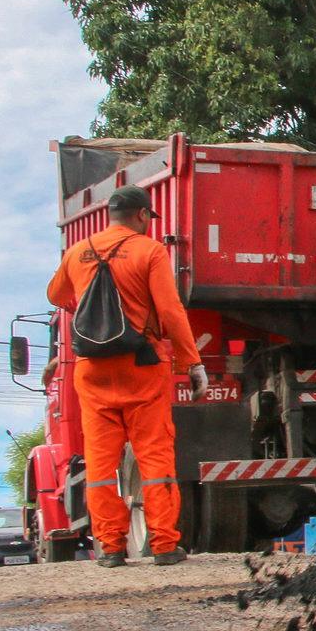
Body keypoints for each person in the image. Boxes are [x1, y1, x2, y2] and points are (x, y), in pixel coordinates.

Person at [47, 185, 209, 567]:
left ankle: (112, 549)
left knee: (101, 467)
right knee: (153, 459)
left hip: (93, 372)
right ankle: (165, 546)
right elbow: (171, 311)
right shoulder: (148, 250)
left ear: (109, 215)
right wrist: (192, 363)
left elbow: (56, 295)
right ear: (141, 215)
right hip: (142, 366)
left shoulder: (77, 251)